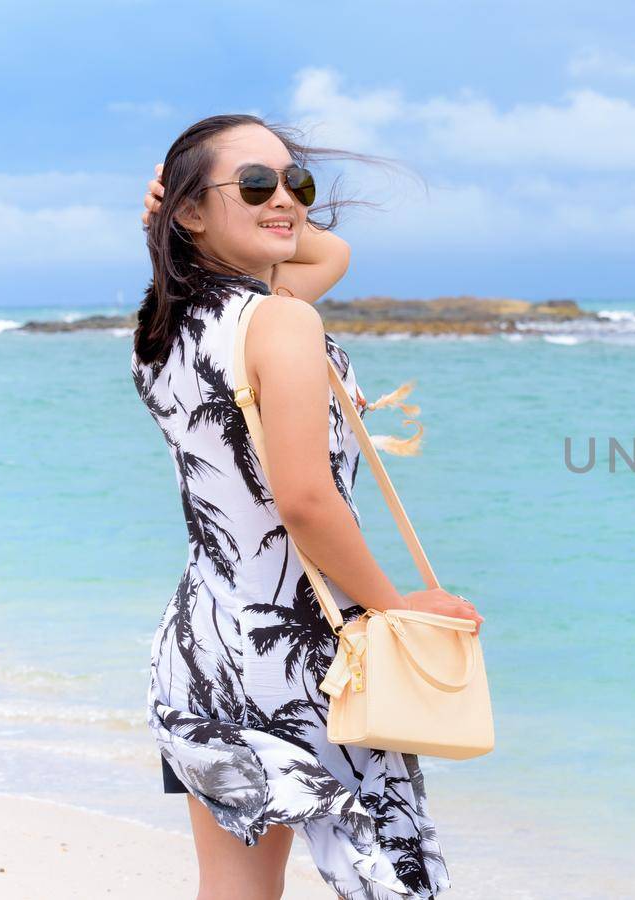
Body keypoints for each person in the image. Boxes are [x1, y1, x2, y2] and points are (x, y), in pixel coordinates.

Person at [131, 113, 481, 900]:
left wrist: (199, 210)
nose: (285, 199)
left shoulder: (165, 327)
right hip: (303, 656)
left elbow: (329, 249)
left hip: (204, 644)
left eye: (297, 182)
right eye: (256, 184)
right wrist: (395, 619)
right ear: (190, 208)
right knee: (398, 884)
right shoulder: (282, 320)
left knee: (234, 889)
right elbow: (307, 502)